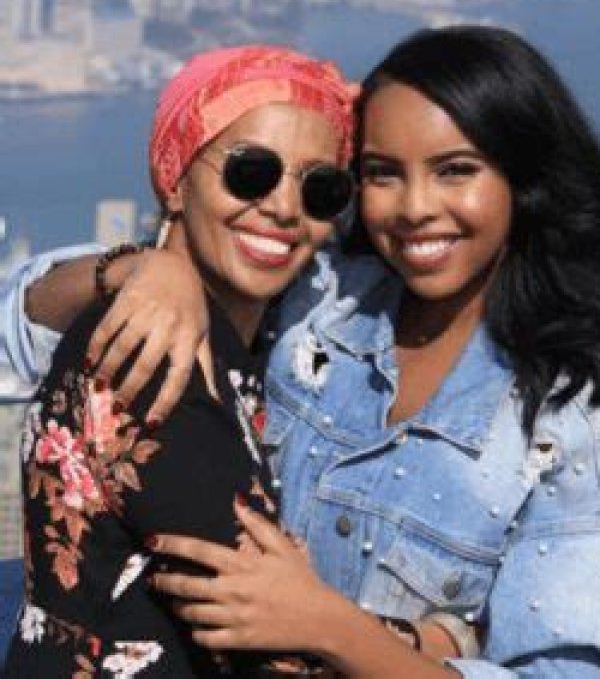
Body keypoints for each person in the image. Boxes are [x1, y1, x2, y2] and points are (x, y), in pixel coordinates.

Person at [2, 26, 600, 678]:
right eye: (383, 173)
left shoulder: (569, 425)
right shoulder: (315, 303)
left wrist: (333, 628)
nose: (415, 207)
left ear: (525, 183)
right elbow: (25, 324)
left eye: (455, 171)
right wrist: (136, 268)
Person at [1, 44, 359, 678]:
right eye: (251, 172)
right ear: (175, 179)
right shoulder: (151, 350)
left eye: (320, 188)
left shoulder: (245, 346)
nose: (285, 207)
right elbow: (268, 637)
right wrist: (433, 642)